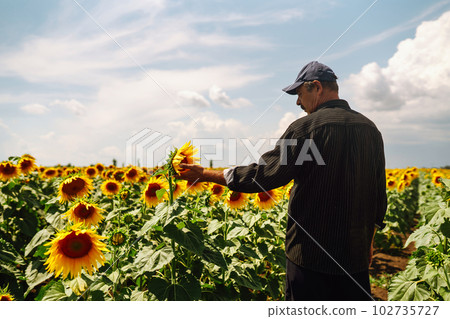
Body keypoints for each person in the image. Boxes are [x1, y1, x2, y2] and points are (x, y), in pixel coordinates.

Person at [177, 61, 387, 301]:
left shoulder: (304, 129)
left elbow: (264, 175)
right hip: (354, 256)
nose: (298, 103)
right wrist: (368, 241)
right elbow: (378, 193)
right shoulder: (370, 129)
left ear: (316, 87)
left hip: (310, 256)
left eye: (299, 94)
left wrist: (204, 175)